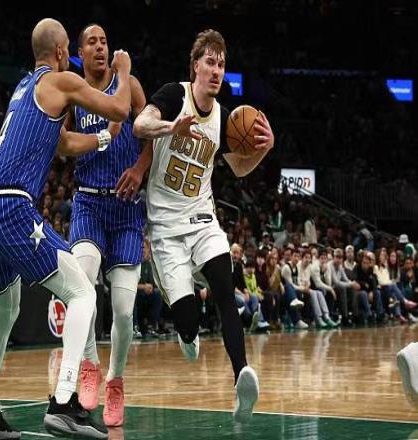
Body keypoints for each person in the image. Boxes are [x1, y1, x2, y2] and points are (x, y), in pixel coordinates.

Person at [0, 18, 133, 440]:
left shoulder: (24, 88)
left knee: (6, 311)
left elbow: (63, 144)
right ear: (61, 52)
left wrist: (103, 140)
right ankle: (63, 403)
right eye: (71, 51)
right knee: (82, 293)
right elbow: (119, 108)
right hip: (11, 207)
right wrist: (124, 69)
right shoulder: (63, 81)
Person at [133, 29, 274, 420]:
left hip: (202, 220)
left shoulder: (225, 118)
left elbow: (239, 169)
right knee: (189, 320)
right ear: (195, 65)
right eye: (210, 62)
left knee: (226, 291)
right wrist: (170, 127)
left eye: (221, 64)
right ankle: (187, 331)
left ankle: (241, 378)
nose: (216, 70)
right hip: (166, 229)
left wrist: (265, 149)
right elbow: (140, 126)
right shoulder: (173, 95)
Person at [65, 24, 152, 427]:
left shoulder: (129, 84)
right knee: (81, 283)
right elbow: (62, 142)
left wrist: (139, 168)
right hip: (88, 202)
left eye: (104, 41)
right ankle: (89, 364)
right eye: (92, 42)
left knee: (123, 310)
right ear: (80, 52)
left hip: (127, 209)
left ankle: (115, 381)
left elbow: (152, 136)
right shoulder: (73, 91)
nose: (100, 47)